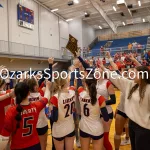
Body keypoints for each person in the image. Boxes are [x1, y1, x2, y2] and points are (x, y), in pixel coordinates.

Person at [100, 57, 150, 150]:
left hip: (144, 128)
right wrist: (103, 68)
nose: (132, 74)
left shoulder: (148, 89)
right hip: (132, 124)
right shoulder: (131, 84)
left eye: (134, 73)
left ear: (142, 75)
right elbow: (117, 78)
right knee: (134, 147)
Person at [0, 80, 51, 150]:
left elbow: (4, 138)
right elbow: (46, 97)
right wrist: (48, 87)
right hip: (34, 145)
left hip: (17, 146)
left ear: (16, 94)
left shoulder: (11, 111)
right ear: (28, 93)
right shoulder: (36, 106)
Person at [76, 72, 109, 150]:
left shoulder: (81, 93)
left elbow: (79, 85)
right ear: (96, 83)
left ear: (86, 84)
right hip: (96, 129)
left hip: (84, 127)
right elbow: (106, 118)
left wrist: (78, 71)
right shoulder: (100, 98)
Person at [26, 57, 54, 150]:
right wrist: (50, 65)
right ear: (35, 87)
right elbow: (48, 80)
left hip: (29, 126)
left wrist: (50, 67)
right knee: (43, 145)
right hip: (41, 123)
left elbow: (42, 79)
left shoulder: (24, 96)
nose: (39, 82)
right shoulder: (41, 94)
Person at [50, 71, 76, 150]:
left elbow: (53, 117)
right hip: (70, 127)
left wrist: (47, 111)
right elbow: (72, 86)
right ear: (66, 82)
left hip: (59, 129)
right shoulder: (72, 92)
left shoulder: (54, 97)